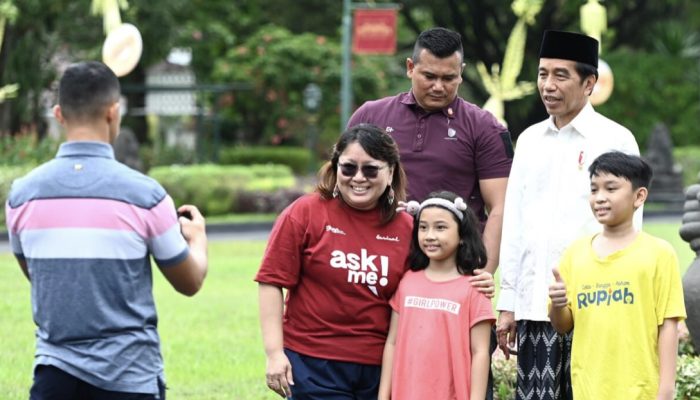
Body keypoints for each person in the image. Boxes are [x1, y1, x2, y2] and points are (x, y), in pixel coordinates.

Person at [4, 61, 209, 399]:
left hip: (53, 379)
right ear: (114, 112)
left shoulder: (22, 196)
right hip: (129, 379)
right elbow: (190, 282)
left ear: (58, 114)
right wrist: (197, 238)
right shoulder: (146, 195)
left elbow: (40, 274)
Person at [255, 124, 494, 399]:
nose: (358, 178)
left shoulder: (408, 228)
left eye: (370, 169)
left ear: (391, 171)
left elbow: (435, 277)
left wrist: (476, 279)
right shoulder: (305, 213)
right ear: (335, 168)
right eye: (348, 168)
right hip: (314, 362)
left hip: (381, 368)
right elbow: (271, 281)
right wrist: (274, 353)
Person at [496, 30, 641, 399]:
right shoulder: (528, 140)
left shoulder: (616, 140)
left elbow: (628, 231)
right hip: (534, 306)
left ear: (589, 82)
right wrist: (508, 305)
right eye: (543, 74)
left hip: (595, 306)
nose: (548, 85)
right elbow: (515, 223)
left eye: (560, 75)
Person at [347, 26, 512, 275]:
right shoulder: (371, 115)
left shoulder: (484, 127)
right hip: (376, 262)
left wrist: (483, 275)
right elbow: (342, 185)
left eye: (448, 78)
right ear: (410, 67)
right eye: (429, 76)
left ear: (461, 73)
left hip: (453, 267)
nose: (438, 87)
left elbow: (500, 207)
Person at [548, 151, 686, 399]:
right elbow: (563, 325)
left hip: (641, 391)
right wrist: (558, 305)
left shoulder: (659, 254)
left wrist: (665, 391)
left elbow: (668, 326)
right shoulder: (575, 254)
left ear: (639, 196)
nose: (599, 198)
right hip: (588, 390)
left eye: (611, 189)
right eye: (594, 190)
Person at [379, 191, 495, 400]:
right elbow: (392, 343)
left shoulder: (475, 288)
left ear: (462, 235)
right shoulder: (407, 282)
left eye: (440, 227)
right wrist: (383, 395)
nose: (430, 235)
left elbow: (480, 352)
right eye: (423, 227)